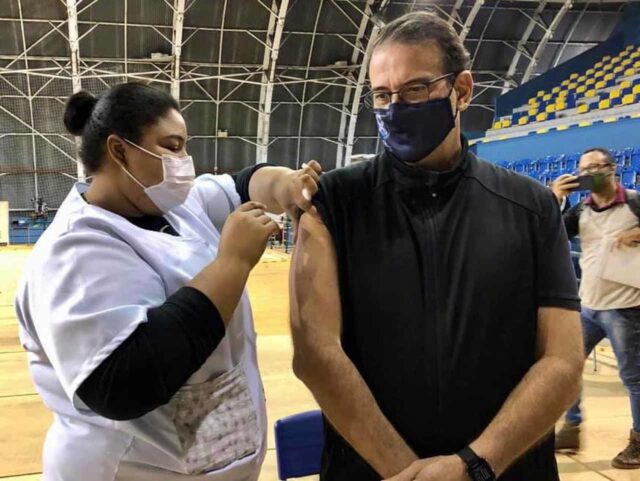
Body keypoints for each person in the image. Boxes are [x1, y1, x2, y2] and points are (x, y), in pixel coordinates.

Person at [289, 12, 584, 481]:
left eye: (415, 89)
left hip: (506, 471)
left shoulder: (531, 207)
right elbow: (316, 356)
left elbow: (563, 361)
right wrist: (407, 473)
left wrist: (475, 465)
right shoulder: (332, 204)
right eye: (382, 95)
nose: (395, 108)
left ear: (461, 90)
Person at [15, 82, 321, 481]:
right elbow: (122, 383)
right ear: (119, 150)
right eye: (172, 147)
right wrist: (232, 263)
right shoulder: (75, 250)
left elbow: (245, 183)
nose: (184, 161)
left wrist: (285, 184)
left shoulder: (173, 204)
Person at [552, 147, 640, 468]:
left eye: (596, 167)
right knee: (566, 367)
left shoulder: (634, 202)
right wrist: (555, 200)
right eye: (584, 169)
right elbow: (551, 236)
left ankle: (639, 441)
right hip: (588, 306)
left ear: (612, 168)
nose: (590, 173)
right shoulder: (581, 210)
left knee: (634, 379)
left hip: (627, 308)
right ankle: (572, 427)